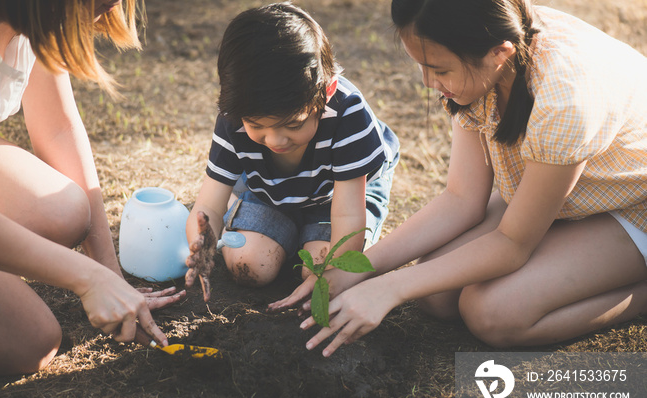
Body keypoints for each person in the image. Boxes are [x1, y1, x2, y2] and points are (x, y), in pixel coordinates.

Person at [270, 0, 647, 357]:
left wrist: (388, 288)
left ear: (499, 53)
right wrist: (358, 271)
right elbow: (461, 199)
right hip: (566, 193)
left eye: (439, 70)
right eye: (422, 65)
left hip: (631, 206)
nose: (428, 82)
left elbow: (513, 244)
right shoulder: (483, 48)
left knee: (492, 313)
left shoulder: (564, 100)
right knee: (437, 296)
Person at [0, 0, 184, 375]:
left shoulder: (34, 15)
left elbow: (58, 128)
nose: (113, 8)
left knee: (66, 211)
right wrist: (87, 279)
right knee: (29, 342)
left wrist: (109, 271)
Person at [185, 2, 399, 301]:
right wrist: (202, 245)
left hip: (339, 196)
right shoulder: (237, 113)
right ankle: (267, 217)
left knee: (320, 270)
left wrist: (332, 278)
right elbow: (208, 204)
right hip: (270, 191)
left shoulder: (348, 115)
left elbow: (349, 213)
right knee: (249, 265)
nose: (276, 140)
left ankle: (303, 234)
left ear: (326, 93)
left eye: (293, 125)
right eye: (257, 125)